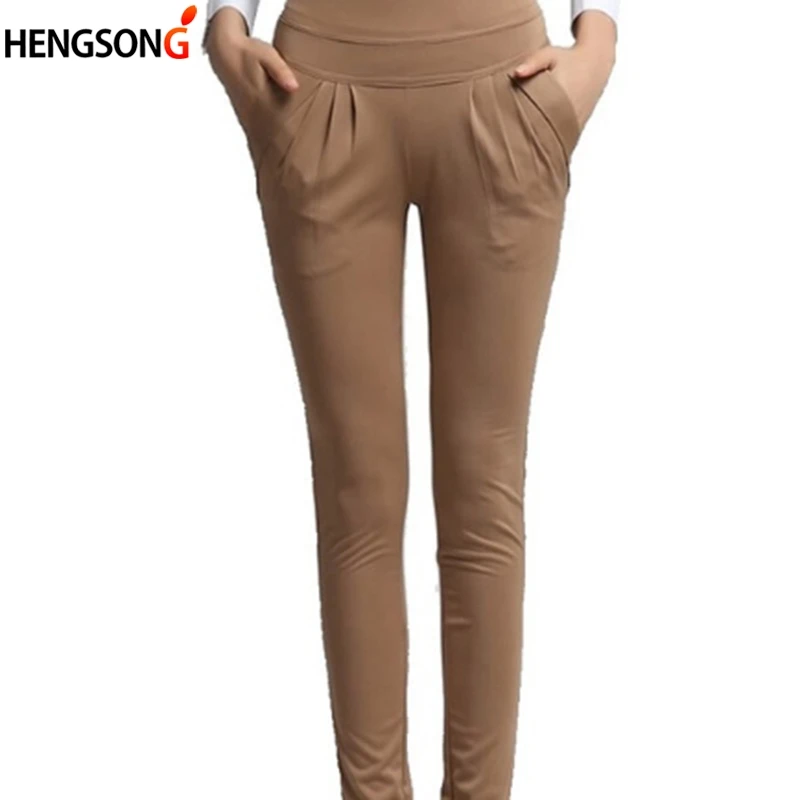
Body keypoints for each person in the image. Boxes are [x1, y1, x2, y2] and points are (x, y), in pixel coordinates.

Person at [205, 0, 618, 797]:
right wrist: (223, 25)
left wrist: (597, 34)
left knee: (482, 492)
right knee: (356, 493)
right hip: (316, 84)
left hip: (503, 81)